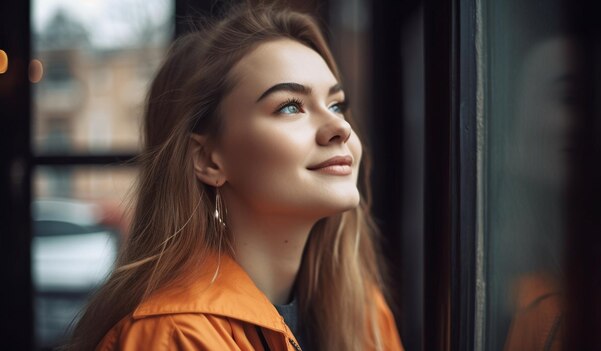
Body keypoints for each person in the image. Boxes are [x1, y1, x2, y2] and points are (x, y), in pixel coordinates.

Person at [67, 3, 403, 351]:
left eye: (336, 105)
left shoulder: (362, 313)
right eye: (290, 106)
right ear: (208, 160)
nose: (340, 128)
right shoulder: (173, 336)